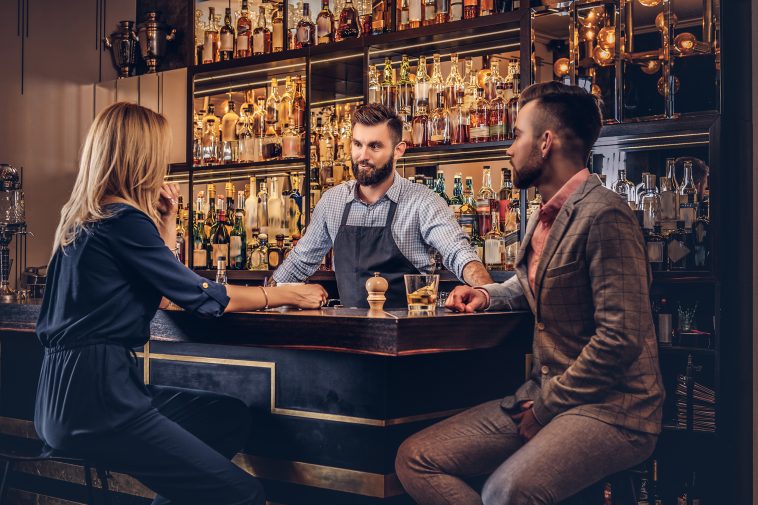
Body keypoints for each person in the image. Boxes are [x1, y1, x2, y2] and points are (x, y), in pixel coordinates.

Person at [34, 102, 328, 505]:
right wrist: (288, 292)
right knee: (242, 495)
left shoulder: (84, 220)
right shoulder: (122, 220)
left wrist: (168, 224)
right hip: (101, 401)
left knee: (225, 418)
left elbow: (162, 283)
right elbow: (202, 299)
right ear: (141, 158)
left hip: (61, 398)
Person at [395, 82, 665, 505]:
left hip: (615, 409)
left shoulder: (605, 214)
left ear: (545, 142)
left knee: (505, 491)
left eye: (518, 134)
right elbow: (534, 284)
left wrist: (544, 409)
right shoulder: (547, 214)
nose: (509, 148)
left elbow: (620, 339)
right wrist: (487, 296)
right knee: (416, 458)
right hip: (546, 395)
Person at [270, 104, 492, 308]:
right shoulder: (332, 201)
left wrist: (487, 292)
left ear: (399, 150)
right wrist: (264, 298)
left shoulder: (423, 202)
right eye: (357, 144)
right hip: (350, 336)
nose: (362, 156)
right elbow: (299, 263)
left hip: (407, 336)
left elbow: (459, 253)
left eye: (374, 146)